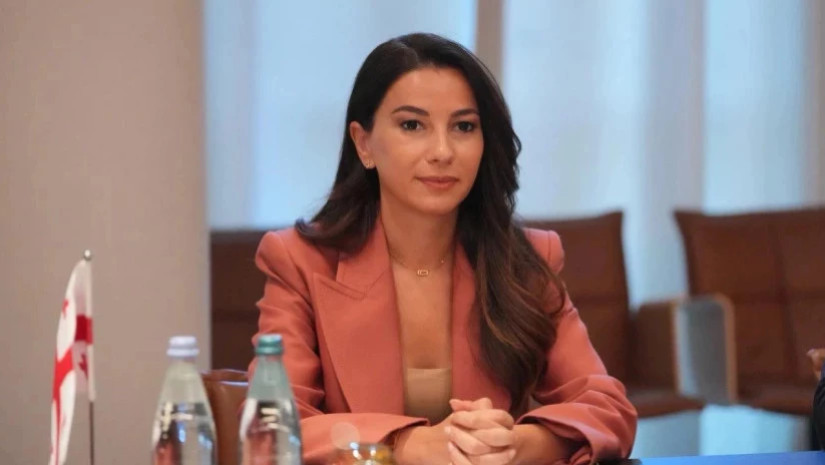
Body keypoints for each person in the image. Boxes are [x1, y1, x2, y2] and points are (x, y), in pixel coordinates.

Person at [250, 32, 637, 465]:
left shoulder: (525, 260)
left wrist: (517, 445)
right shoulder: (299, 262)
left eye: (464, 127)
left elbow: (606, 408)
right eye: (412, 125)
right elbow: (273, 427)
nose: (442, 151)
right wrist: (407, 446)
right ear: (364, 144)